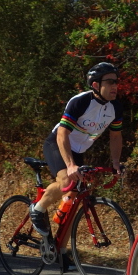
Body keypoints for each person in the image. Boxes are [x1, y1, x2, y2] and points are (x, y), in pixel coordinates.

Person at [29, 62, 125, 240]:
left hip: (79, 150)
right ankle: (38, 209)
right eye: (110, 82)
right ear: (96, 85)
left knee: (73, 201)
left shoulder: (115, 107)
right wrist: (70, 164)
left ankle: (62, 251)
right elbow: (62, 133)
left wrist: (115, 163)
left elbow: (115, 137)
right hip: (58, 144)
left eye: (116, 82)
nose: (115, 86)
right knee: (67, 181)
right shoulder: (81, 101)